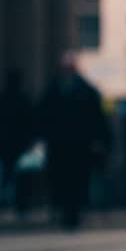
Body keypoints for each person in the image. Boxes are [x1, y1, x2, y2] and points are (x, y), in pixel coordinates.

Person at [37, 52, 110, 229]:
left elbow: (97, 118)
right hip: (61, 143)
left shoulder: (84, 91)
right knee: (61, 178)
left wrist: (100, 140)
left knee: (76, 179)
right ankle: (65, 210)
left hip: (78, 144)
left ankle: (72, 212)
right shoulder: (55, 89)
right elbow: (42, 115)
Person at [0, 68, 36, 214]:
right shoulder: (23, 99)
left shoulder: (2, 98)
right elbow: (31, 121)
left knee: (6, 173)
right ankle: (19, 204)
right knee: (19, 174)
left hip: (5, 141)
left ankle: (3, 202)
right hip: (18, 142)